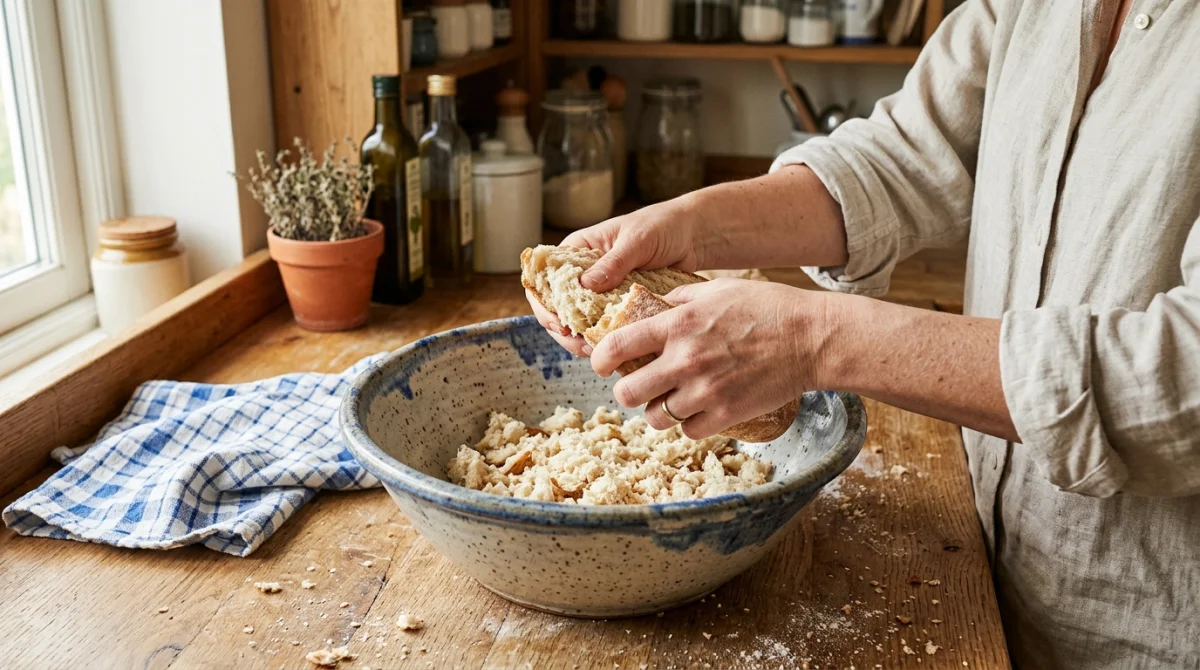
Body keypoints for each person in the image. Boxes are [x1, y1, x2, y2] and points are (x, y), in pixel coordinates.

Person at [526, 0, 1199, 667]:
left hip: (1143, 626)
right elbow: (909, 156)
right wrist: (693, 226)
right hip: (980, 578)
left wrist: (816, 340)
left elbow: (1180, 377)